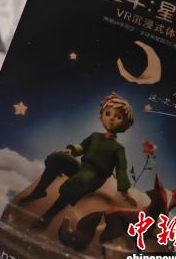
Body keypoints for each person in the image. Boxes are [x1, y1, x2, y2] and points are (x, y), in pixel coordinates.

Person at [15, 93, 137, 229]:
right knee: (57, 158)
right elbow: (82, 147)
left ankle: (47, 216)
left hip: (94, 177)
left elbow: (121, 170)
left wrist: (124, 191)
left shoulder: (118, 148)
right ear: (101, 116)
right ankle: (39, 191)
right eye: (108, 113)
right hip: (82, 169)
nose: (112, 118)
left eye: (118, 117)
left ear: (125, 124)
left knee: (78, 181)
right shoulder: (95, 136)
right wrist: (71, 150)